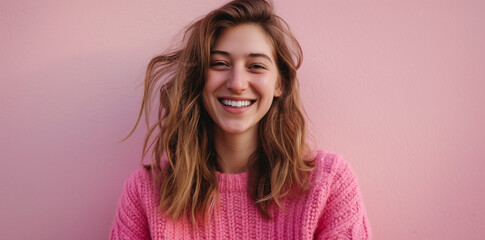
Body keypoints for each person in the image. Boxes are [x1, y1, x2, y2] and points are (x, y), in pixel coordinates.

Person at [110, 0, 371, 239]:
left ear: (279, 82)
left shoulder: (328, 184)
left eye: (256, 66)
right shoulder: (145, 193)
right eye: (220, 64)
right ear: (197, 78)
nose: (237, 83)